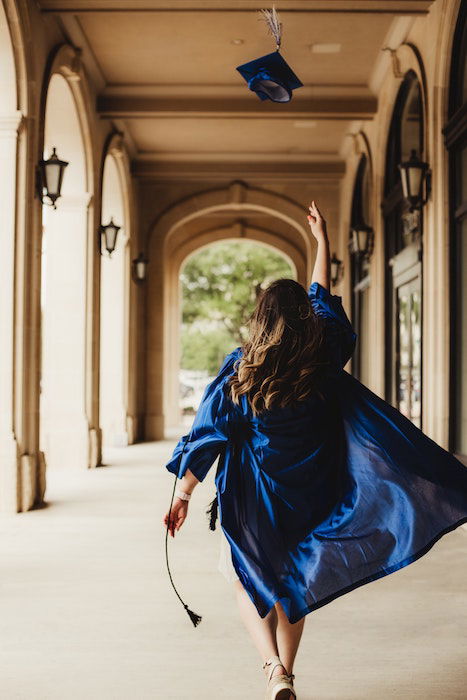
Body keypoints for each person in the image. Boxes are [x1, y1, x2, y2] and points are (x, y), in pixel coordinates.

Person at [163, 201, 467, 700]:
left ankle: (272, 669)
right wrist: (322, 241)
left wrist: (182, 494)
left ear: (259, 319)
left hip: (255, 497)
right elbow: (323, 297)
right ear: (304, 320)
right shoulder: (321, 358)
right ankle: (288, 670)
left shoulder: (241, 372)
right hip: (310, 492)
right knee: (292, 585)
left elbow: (207, 435)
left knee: (246, 580)